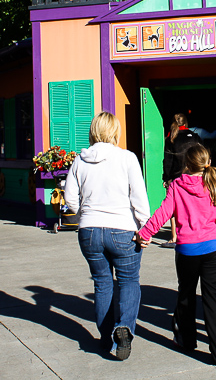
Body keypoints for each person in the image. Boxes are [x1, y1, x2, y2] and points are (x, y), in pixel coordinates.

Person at [137, 144, 216, 366]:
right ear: (208, 163)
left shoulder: (177, 185)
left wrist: (145, 233)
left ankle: (186, 340)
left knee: (186, 295)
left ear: (186, 163)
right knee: (214, 299)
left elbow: (163, 212)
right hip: (214, 248)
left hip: (187, 249)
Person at [63, 112, 150, 359]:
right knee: (129, 281)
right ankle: (123, 328)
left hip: (89, 230)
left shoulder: (80, 160)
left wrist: (83, 215)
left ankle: (105, 337)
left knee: (102, 283)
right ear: (115, 131)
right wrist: (144, 226)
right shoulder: (127, 158)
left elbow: (70, 198)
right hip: (122, 228)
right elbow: (139, 197)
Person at [162, 113, 203, 248]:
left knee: (174, 206)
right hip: (194, 174)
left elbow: (168, 161)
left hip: (176, 176)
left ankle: (174, 237)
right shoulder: (195, 136)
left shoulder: (171, 138)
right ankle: (197, 232)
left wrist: (166, 178)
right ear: (186, 123)